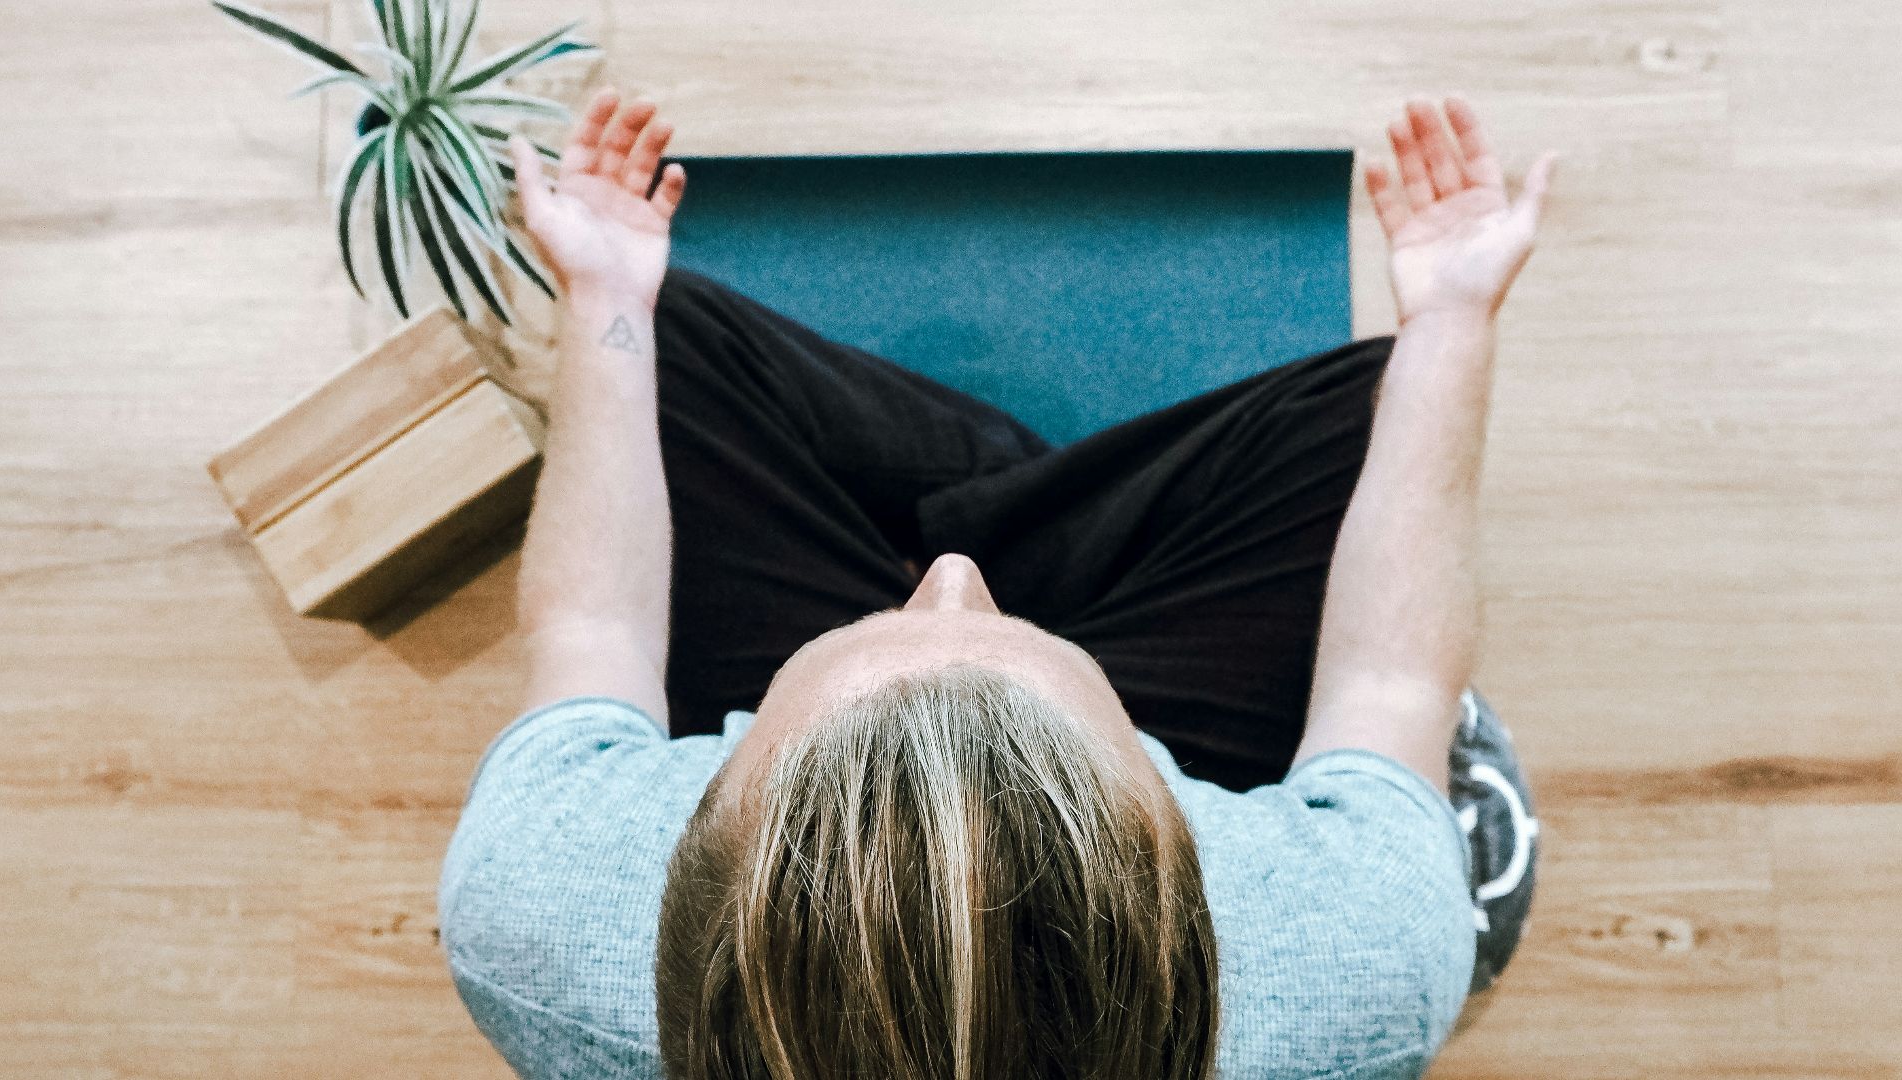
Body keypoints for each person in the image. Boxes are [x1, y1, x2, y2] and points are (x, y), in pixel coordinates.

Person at [439, 87, 1554, 1079]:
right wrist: (1453, 316)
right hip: (1230, 750)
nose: (955, 582)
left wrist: (603, 298)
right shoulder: (1347, 969)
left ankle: (997, 482)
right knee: (1364, 413)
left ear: (693, 836)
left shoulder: (540, 910)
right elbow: (1391, 685)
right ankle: (1029, 490)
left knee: (667, 331)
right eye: (1012, 637)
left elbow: (593, 627)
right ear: (1182, 851)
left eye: (903, 614)